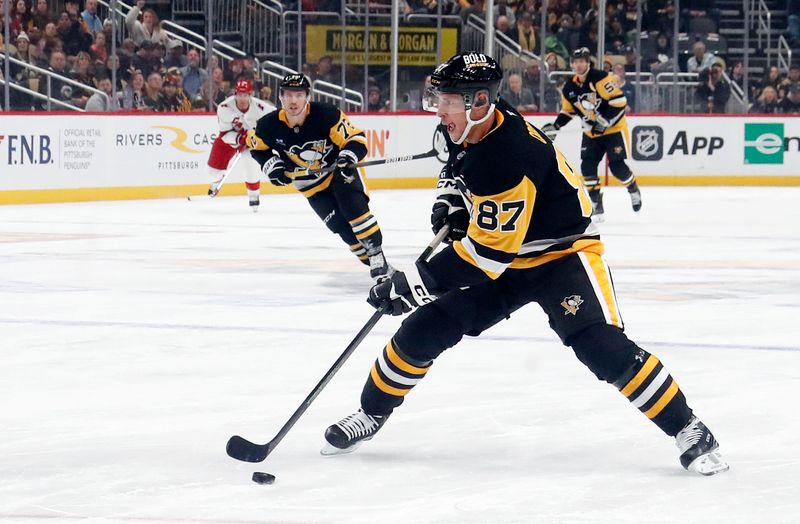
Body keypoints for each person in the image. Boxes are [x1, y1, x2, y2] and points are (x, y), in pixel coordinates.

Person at [321, 52, 730, 477]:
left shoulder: (507, 156)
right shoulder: (474, 123)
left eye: (447, 101)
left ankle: (690, 427)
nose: (439, 110)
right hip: (505, 255)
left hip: (561, 255)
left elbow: (484, 258)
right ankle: (371, 414)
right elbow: (455, 166)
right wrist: (451, 201)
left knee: (600, 347)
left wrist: (412, 284)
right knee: (424, 329)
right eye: (438, 98)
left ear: (480, 101)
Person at [248, 74, 395, 282]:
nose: (293, 101)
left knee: (353, 209)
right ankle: (381, 269)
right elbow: (256, 148)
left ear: (307, 96)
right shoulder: (268, 125)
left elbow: (356, 138)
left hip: (339, 172)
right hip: (310, 186)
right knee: (341, 228)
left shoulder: (326, 115)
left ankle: (376, 253)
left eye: (298, 95)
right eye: (288, 95)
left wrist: (347, 156)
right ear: (281, 98)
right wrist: (273, 167)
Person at [541, 47, 641, 221]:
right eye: (576, 61)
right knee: (587, 167)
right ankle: (597, 204)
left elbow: (619, 102)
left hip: (613, 130)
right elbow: (569, 111)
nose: (578, 65)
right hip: (591, 133)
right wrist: (556, 125)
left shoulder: (600, 77)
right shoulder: (570, 86)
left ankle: (633, 188)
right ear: (572, 64)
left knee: (617, 167)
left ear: (588, 63)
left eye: (582, 61)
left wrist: (604, 122)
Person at [206, 78, 275, 211]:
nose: (242, 98)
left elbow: (276, 120)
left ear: (251, 95)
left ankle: (254, 196)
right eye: (239, 94)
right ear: (235, 94)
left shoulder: (262, 108)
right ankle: (214, 183)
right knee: (212, 171)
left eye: (245, 95)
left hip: (252, 140)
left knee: (250, 162)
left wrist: (260, 135)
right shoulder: (225, 107)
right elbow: (224, 134)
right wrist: (241, 138)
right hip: (230, 138)